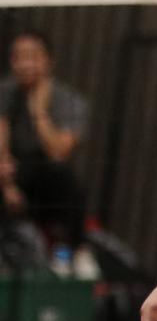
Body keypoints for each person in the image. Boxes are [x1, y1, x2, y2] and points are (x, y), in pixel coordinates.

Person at [0, 28, 90, 249]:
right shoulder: (5, 92)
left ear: (48, 61)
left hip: (45, 181)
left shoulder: (69, 101)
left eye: (32, 57)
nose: (25, 64)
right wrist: (7, 185)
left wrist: (38, 110)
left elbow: (59, 152)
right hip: (9, 175)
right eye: (18, 57)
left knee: (64, 178)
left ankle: (73, 253)